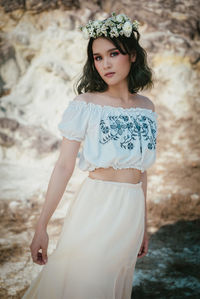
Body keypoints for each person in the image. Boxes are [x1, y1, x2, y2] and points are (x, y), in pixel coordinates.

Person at [22, 12, 158, 299]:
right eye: (97, 57)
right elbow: (63, 167)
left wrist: (143, 226)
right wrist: (41, 227)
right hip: (97, 207)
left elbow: (141, 172)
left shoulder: (147, 107)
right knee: (84, 285)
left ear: (131, 55)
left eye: (113, 53)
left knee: (113, 286)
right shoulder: (85, 105)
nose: (105, 63)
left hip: (131, 211)